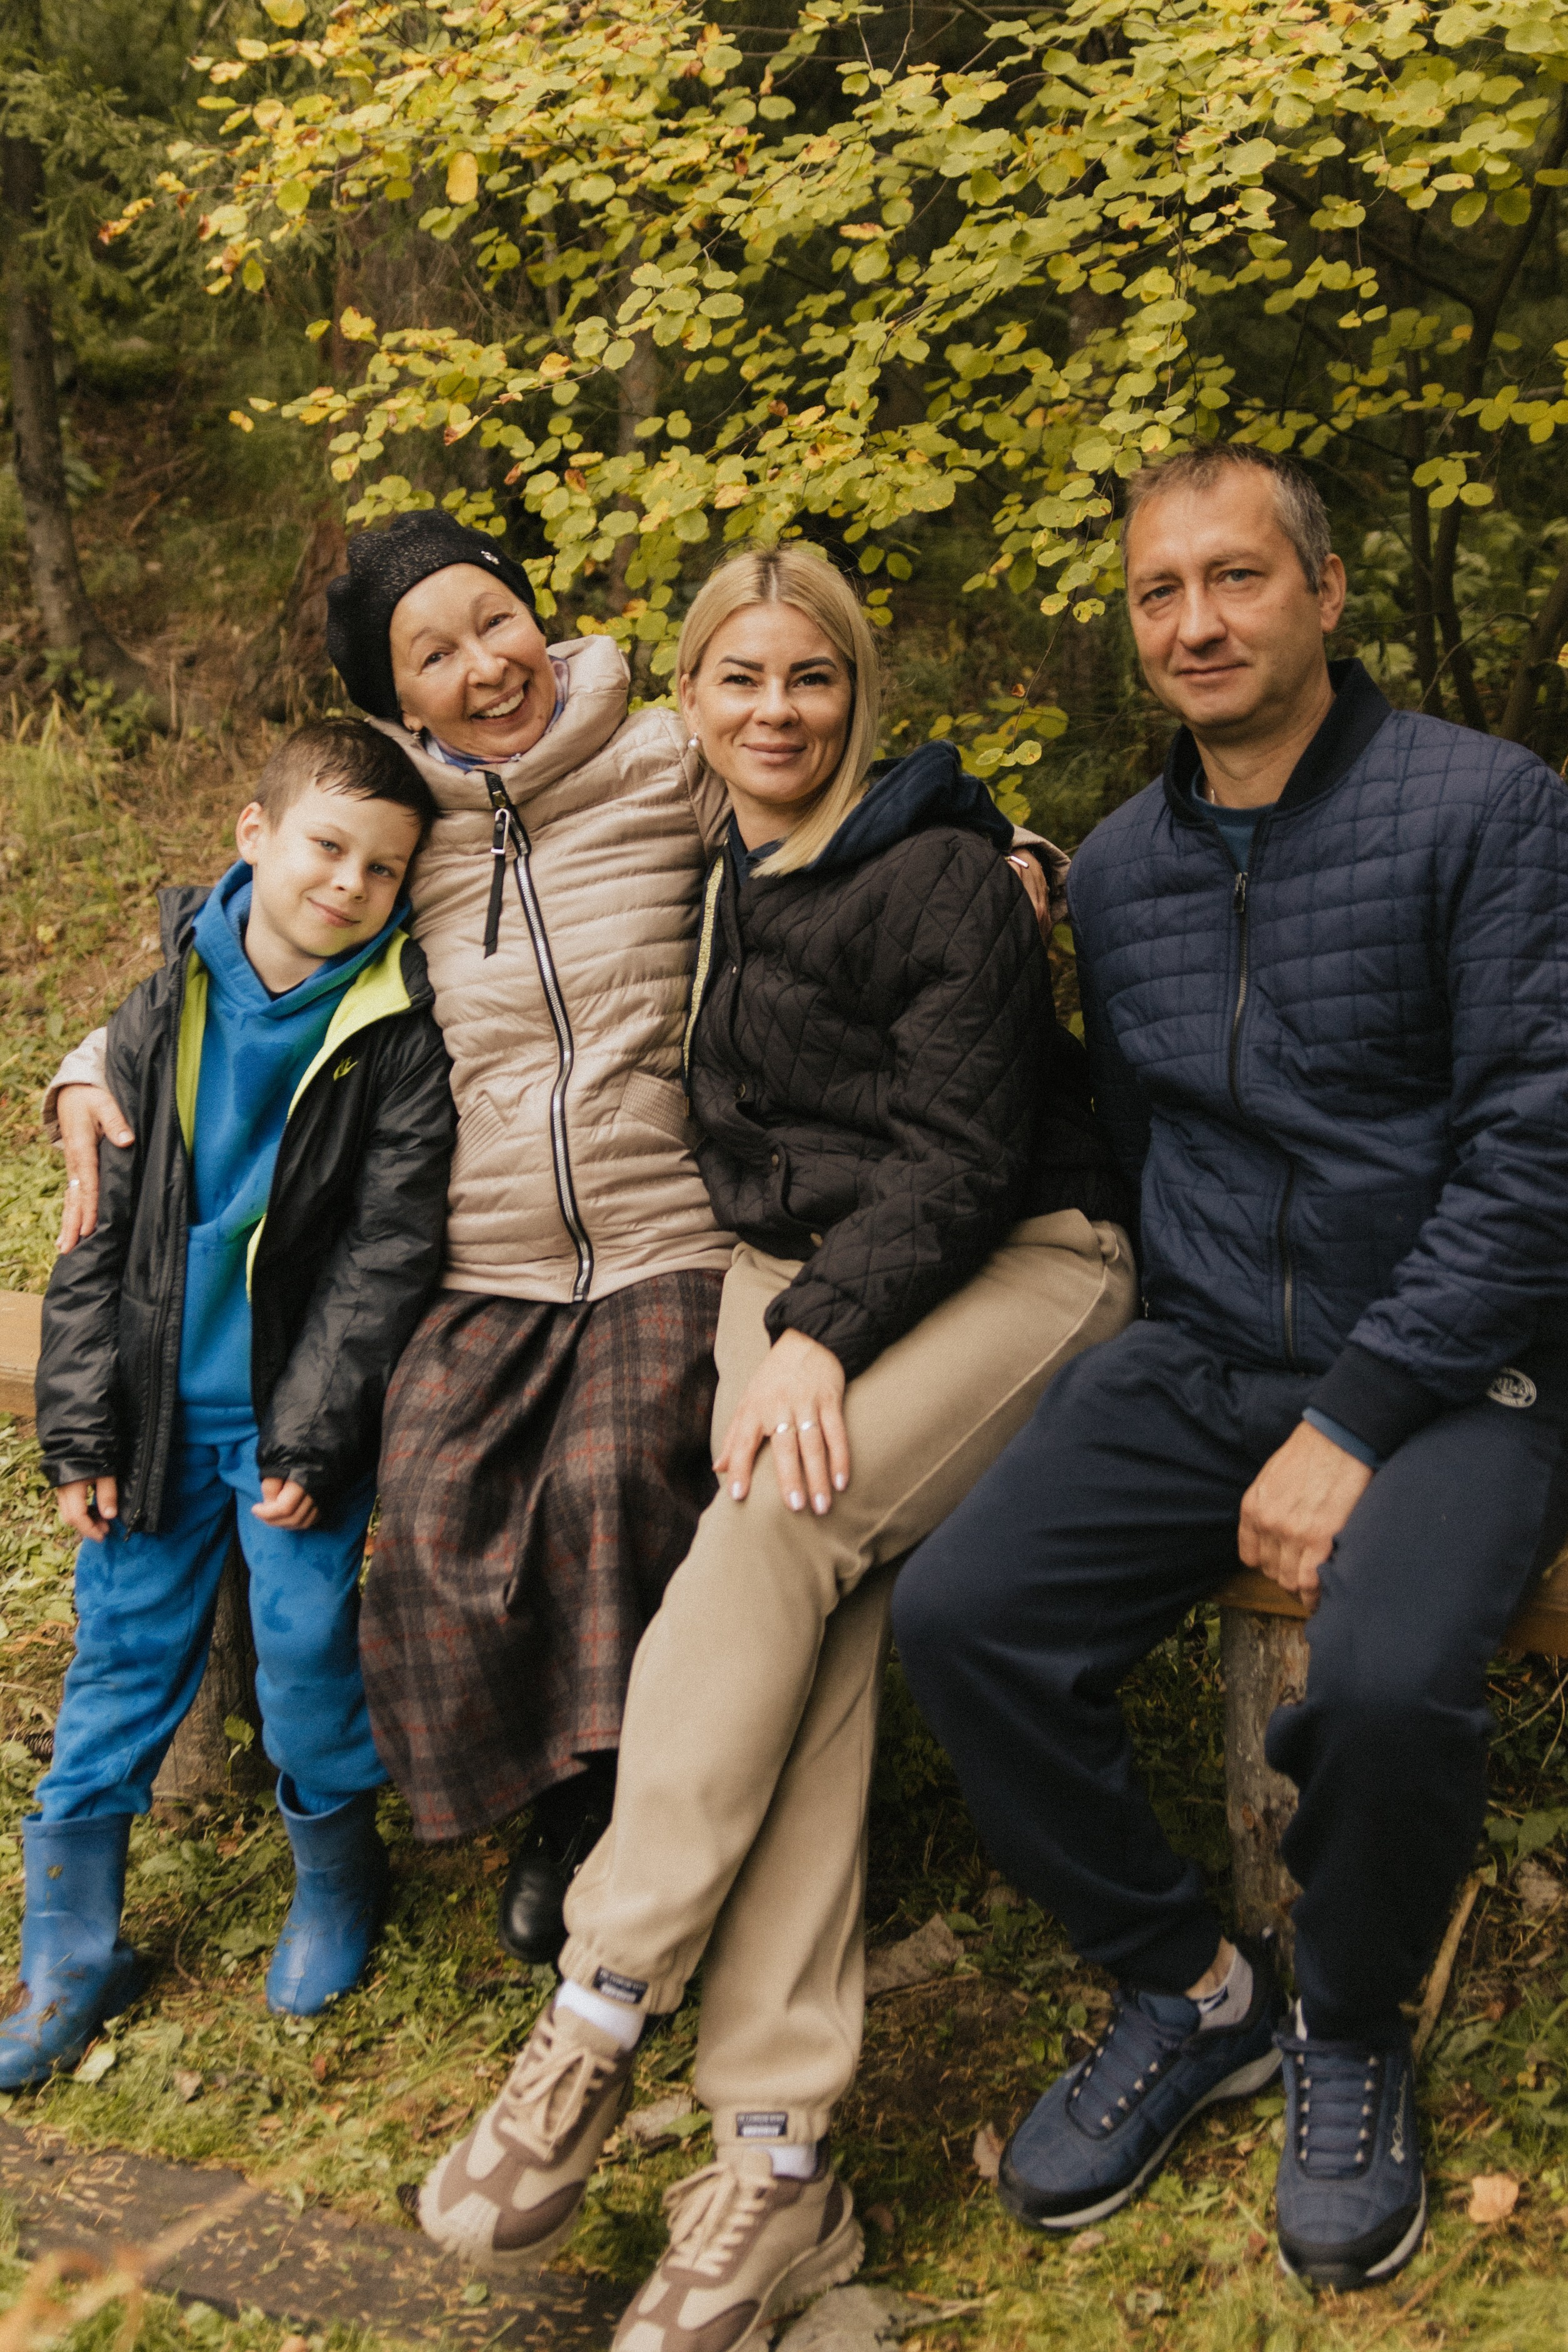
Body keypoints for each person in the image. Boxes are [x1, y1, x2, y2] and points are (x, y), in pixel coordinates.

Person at [47, 511, 1057, 1966]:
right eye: (433, 655)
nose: (483, 666)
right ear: (398, 700)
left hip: (672, 1222)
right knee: (434, 1492)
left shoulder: (665, 758)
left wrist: (1013, 851)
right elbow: (246, 948)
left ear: (541, 617)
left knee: (619, 1463)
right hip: (481, 1246)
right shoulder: (397, 832)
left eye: (495, 620)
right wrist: (91, 1062)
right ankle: (540, 1783)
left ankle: (616, 1802)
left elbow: (851, 815)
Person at [414, 546, 1137, 2352]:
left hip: (1012, 1260)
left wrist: (820, 1337)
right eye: (737, 678)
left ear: (858, 692)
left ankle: (601, 1995)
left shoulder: (942, 874)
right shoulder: (709, 844)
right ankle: (774, 2165)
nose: (775, 711)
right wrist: (103, 1059)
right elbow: (338, 842)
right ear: (687, 702)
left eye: (810, 677)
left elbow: (962, 1158)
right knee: (813, 1607)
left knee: (773, 1526)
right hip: (788, 1273)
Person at [891, 444, 1568, 2292]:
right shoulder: (1120, 866)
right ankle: (1190, 1988)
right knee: (963, 1616)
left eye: (1235, 576)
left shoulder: (1488, 808)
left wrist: (1355, 1414)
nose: (1193, 620)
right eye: (1156, 591)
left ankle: (1346, 2018)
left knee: (1385, 1677)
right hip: (1201, 1352)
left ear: (1323, 592)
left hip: (1460, 1369)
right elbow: (1130, 1135)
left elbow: (1535, 1157)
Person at [1, 721, 454, 2089]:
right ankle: (67, 1947)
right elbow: (96, 1237)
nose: (349, 884)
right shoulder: (157, 1015)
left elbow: (385, 1254)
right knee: (119, 1657)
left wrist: (314, 1432)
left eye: (383, 869)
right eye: (327, 846)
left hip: (292, 1419)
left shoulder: (395, 1033)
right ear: (254, 836)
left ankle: (337, 1877)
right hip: (154, 1417)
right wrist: (82, 1426)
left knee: (307, 1644)